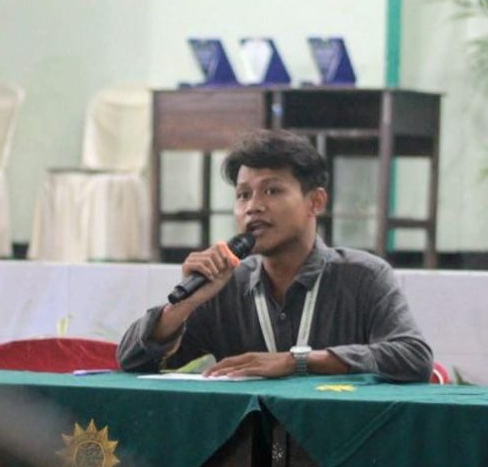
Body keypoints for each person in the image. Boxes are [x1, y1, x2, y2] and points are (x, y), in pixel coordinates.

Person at [117, 130, 433, 383]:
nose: (253, 207)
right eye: (243, 195)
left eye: (272, 191)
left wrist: (298, 361)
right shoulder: (226, 284)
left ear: (315, 202)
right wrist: (184, 305)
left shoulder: (363, 275)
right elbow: (131, 360)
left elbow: (413, 357)